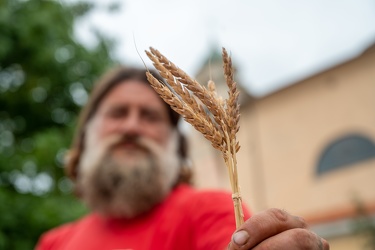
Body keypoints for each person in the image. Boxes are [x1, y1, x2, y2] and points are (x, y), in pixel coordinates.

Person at [36, 66, 329, 250]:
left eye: (149, 116)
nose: (131, 126)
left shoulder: (208, 211)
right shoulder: (53, 242)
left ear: (175, 143)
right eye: (118, 113)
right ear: (87, 134)